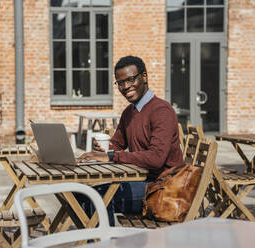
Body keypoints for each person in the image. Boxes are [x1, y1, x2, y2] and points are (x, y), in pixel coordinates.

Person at [76, 55, 184, 225]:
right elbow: (117, 143)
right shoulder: (129, 112)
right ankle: (95, 240)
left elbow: (156, 158)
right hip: (143, 181)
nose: (126, 87)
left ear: (144, 77)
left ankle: (104, 242)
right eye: (120, 83)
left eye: (131, 80)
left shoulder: (162, 111)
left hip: (164, 188)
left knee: (99, 196)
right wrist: (102, 149)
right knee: (79, 193)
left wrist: (112, 156)